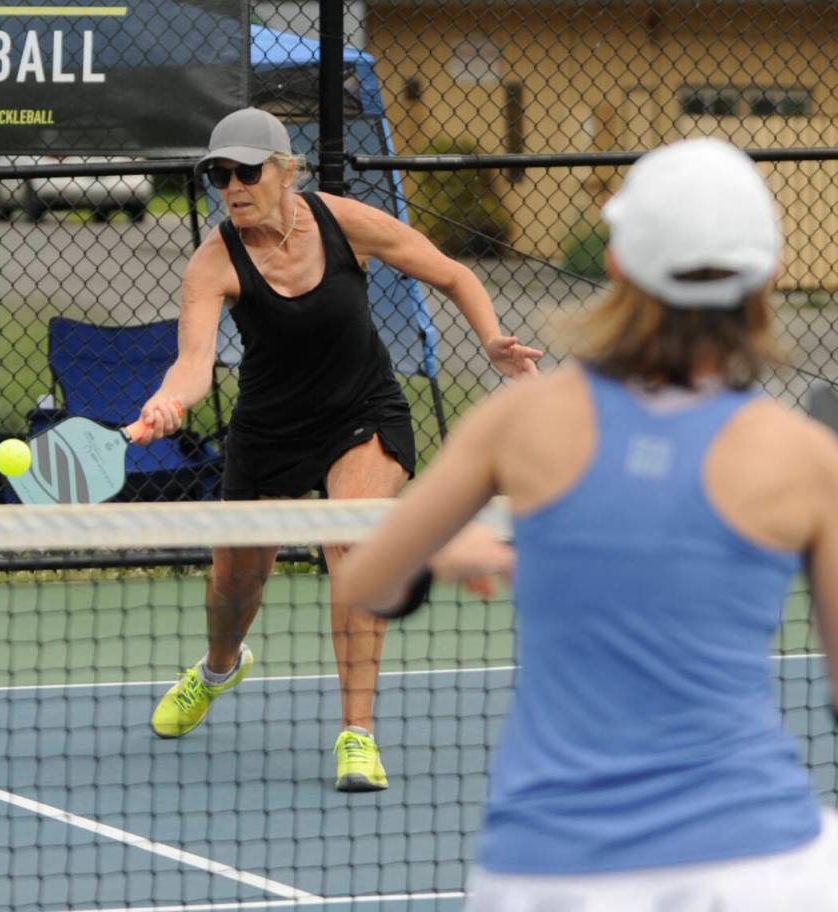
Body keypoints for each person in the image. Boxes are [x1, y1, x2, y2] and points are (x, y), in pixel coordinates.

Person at [335, 137, 838, 908]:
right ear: (771, 275)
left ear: (618, 267)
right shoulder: (805, 459)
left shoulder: (522, 422)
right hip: (759, 863)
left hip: (543, 871)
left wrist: (447, 549)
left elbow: (367, 581)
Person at [135, 106, 542, 792]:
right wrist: (170, 399)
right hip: (268, 431)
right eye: (219, 175)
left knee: (352, 546)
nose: (232, 186)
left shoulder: (341, 221)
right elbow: (195, 362)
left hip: (361, 411)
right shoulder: (213, 262)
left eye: (247, 171)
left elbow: (452, 274)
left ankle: (357, 733)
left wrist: (492, 339)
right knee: (235, 584)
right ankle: (219, 668)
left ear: (286, 172)